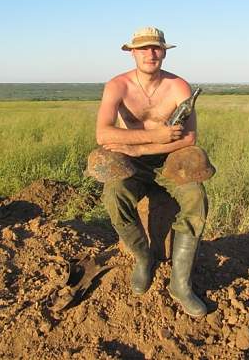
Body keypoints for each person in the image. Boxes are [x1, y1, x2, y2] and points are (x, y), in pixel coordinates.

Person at [95, 26, 209, 317]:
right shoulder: (117, 85)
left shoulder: (179, 87)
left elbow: (189, 138)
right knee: (114, 193)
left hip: (171, 160)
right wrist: (152, 141)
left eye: (156, 48)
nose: (150, 53)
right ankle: (143, 257)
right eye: (143, 48)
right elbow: (103, 134)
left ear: (163, 52)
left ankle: (180, 284)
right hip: (133, 162)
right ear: (132, 52)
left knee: (196, 196)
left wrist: (142, 145)